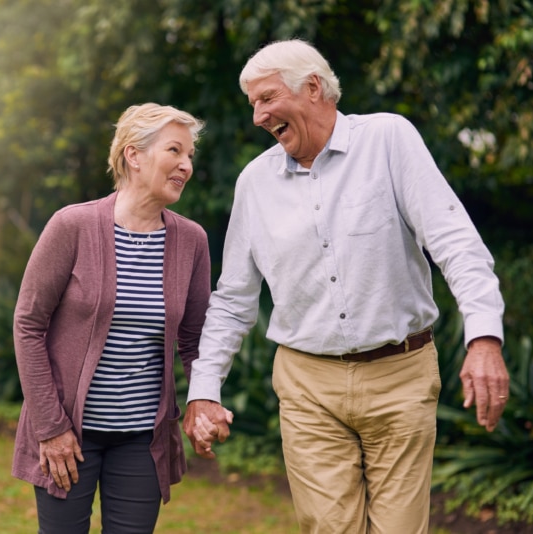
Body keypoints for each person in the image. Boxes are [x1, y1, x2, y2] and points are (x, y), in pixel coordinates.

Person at [183, 39, 510, 534]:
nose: (257, 116)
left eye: (267, 98)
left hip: (400, 375)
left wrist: (484, 337)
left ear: (313, 87)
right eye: (253, 104)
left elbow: (455, 243)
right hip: (307, 384)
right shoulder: (255, 182)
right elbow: (232, 301)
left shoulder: (388, 139)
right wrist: (204, 390)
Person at [11, 102, 212, 533]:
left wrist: (204, 400)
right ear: (133, 156)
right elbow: (28, 324)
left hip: (143, 439)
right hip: (68, 433)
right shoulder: (73, 226)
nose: (186, 165)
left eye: (190, 156)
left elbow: (196, 340)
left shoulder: (191, 241)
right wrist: (50, 427)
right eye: (174, 150)